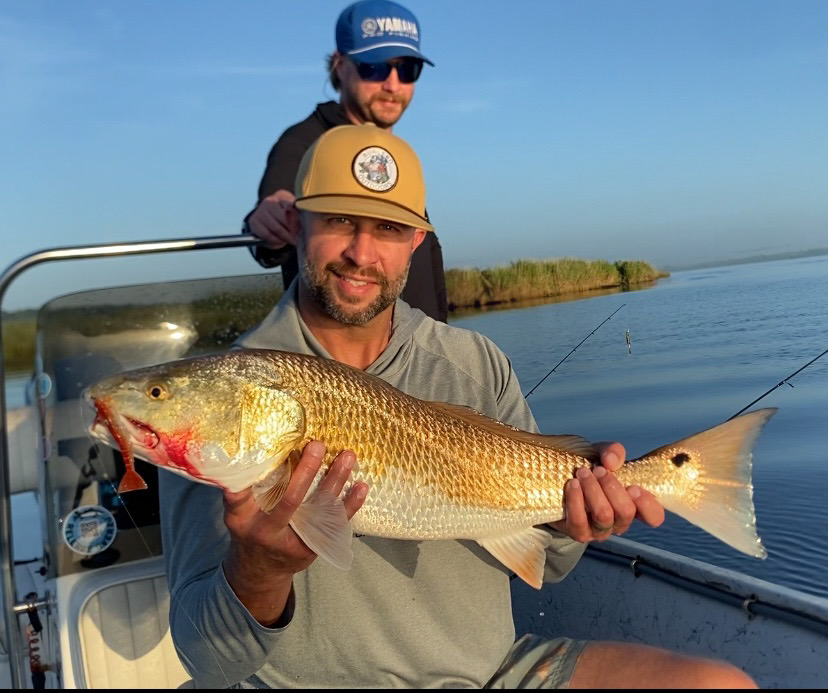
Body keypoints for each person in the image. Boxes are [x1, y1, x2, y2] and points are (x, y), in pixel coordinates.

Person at [160, 124, 757, 688]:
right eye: (340, 219)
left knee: (721, 683)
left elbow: (543, 562)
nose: (362, 252)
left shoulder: (475, 363)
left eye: (390, 229)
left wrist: (578, 521)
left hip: (491, 674)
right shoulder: (225, 392)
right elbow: (208, 661)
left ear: (418, 240)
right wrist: (260, 570)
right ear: (297, 223)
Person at [243, 0, 448, 322]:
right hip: (343, 368)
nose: (393, 84)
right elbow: (274, 213)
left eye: (407, 69)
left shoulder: (396, 155)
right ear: (339, 65)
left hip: (418, 357)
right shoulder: (303, 143)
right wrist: (271, 214)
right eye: (374, 67)